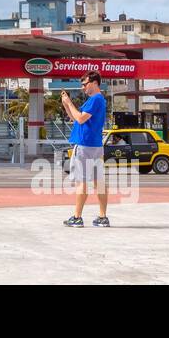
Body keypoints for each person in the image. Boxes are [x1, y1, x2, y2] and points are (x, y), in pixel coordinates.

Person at [62, 71, 109, 228]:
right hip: (95, 145)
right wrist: (66, 104)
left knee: (81, 182)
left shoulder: (95, 99)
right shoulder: (97, 100)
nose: (83, 87)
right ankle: (102, 217)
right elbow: (75, 117)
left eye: (85, 84)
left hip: (84, 145)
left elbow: (80, 119)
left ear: (94, 83)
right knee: (98, 182)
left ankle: (77, 217)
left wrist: (69, 103)